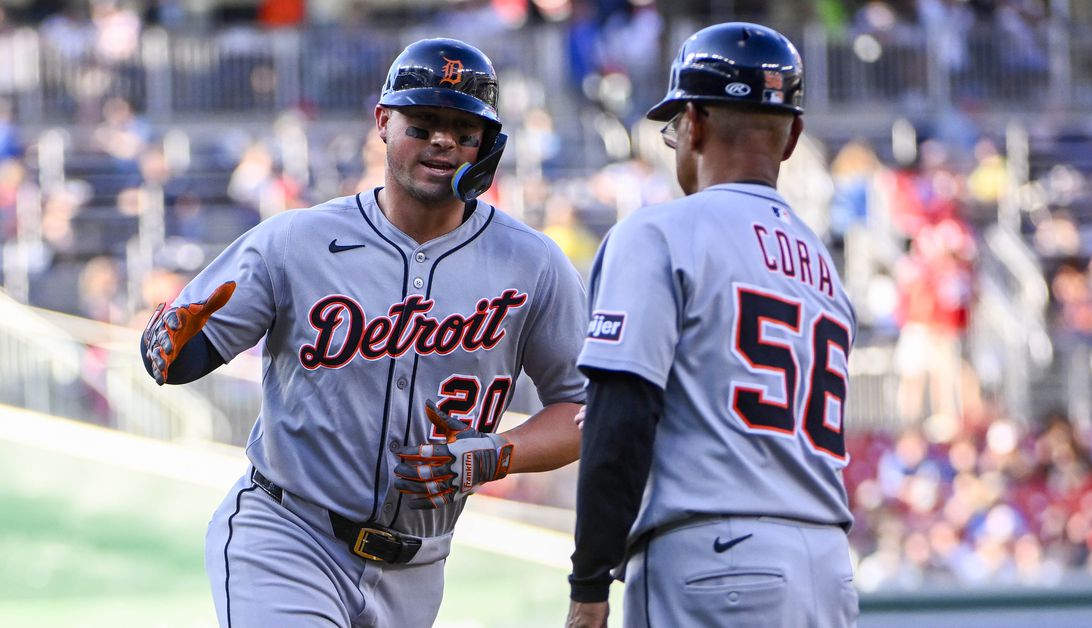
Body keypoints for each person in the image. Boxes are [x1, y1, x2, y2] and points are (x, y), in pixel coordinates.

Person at [139, 38, 587, 627]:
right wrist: (164, 344)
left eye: (463, 127)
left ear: (487, 142)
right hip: (289, 536)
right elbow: (177, 357)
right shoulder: (294, 241)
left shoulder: (534, 264)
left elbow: (584, 408)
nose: (443, 141)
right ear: (383, 122)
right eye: (423, 122)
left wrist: (496, 454)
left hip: (419, 565)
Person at [566, 23, 859, 627]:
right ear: (792, 137)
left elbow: (621, 414)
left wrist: (589, 582)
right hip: (828, 566)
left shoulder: (660, 232)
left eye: (674, 128)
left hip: (714, 560)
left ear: (693, 121)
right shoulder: (824, 267)